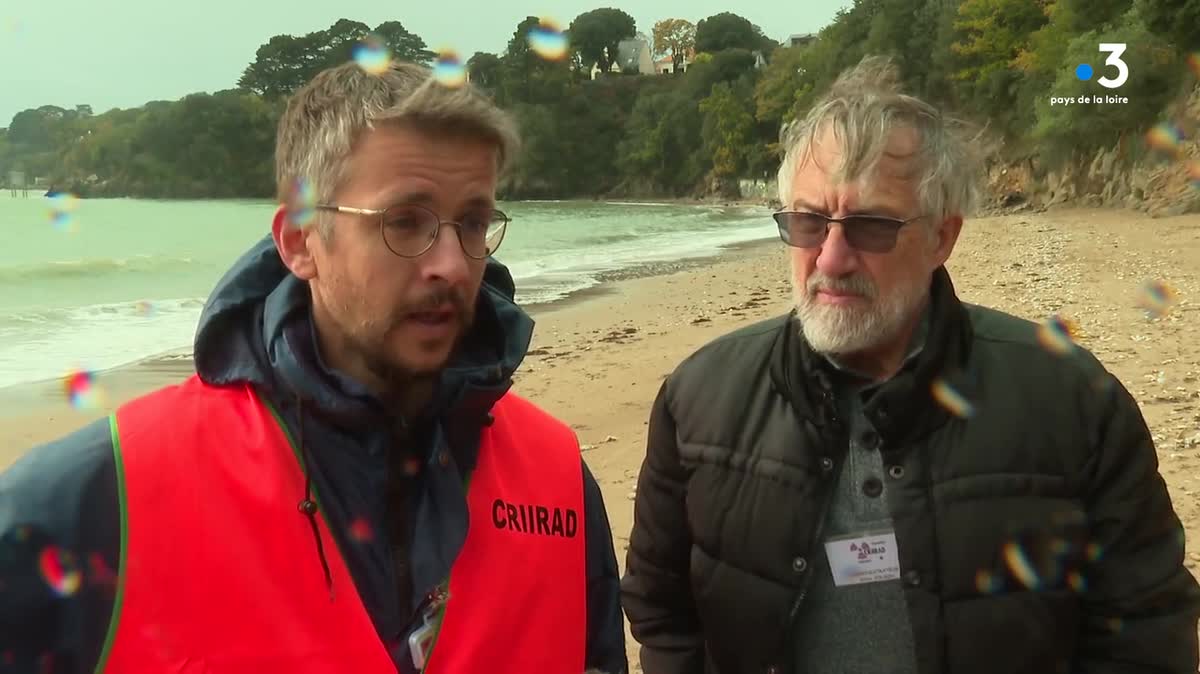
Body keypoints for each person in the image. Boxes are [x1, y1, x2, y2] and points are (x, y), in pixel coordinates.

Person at [0, 61, 627, 674]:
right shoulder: (92, 500)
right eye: (404, 222)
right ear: (300, 241)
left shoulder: (556, 477)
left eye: (472, 223)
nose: (454, 265)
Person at [620, 56, 1200, 674]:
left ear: (942, 238)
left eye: (870, 226)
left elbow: (1145, 630)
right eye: (808, 222)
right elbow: (664, 614)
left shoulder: (1072, 400)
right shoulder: (699, 399)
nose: (831, 257)